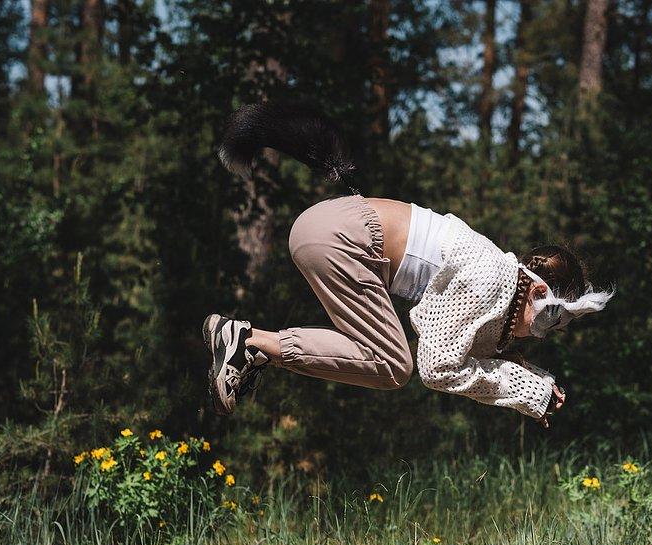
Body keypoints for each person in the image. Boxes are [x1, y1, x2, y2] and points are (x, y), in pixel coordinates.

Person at [205, 101, 611, 428]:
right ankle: (250, 343)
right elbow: (437, 367)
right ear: (539, 291)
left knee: (386, 362)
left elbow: (470, 343)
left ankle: (251, 346)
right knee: (392, 364)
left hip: (332, 232)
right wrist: (526, 388)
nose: (541, 335)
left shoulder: (498, 282)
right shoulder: (490, 276)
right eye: (550, 321)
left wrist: (530, 378)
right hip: (342, 237)